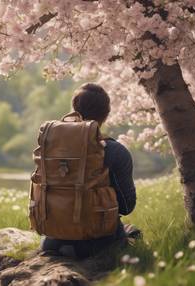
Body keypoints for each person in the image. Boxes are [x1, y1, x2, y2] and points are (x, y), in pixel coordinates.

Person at [40, 83, 138, 258]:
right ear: (106, 114)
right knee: (135, 232)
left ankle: (66, 249)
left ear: (74, 110)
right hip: (99, 242)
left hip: (53, 240)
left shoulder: (51, 146)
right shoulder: (115, 151)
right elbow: (126, 206)